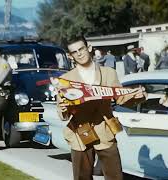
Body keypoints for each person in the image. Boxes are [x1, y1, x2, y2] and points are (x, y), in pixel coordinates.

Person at [57, 35, 146, 180]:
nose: (79, 53)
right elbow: (63, 115)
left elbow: (121, 98)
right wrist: (62, 107)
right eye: (74, 52)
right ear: (70, 56)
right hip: (80, 134)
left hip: (105, 131)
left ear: (89, 48)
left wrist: (138, 95)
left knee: (115, 176)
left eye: (81, 49)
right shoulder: (65, 80)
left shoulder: (109, 73)